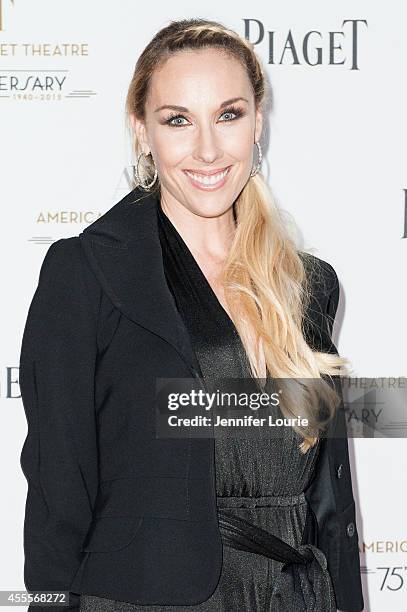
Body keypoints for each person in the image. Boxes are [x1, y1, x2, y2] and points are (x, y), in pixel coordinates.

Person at [19, 17, 364, 612]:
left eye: (228, 115)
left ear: (257, 123)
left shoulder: (308, 282)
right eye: (177, 119)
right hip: (149, 597)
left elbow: (329, 500)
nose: (207, 149)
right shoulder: (87, 272)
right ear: (142, 132)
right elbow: (59, 487)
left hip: (293, 595)